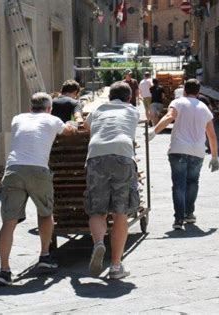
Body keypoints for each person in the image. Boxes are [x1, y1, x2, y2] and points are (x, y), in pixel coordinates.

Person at [0, 92, 77, 286]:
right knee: (45, 213)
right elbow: (69, 131)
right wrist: (73, 124)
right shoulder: (52, 119)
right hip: (38, 170)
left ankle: (4, 270)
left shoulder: (17, 118)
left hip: (13, 169)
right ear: (49, 108)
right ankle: (44, 256)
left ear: (30, 106)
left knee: (8, 222)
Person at [83, 81, 140, 280]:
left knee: (97, 209)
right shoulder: (132, 110)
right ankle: (116, 266)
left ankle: (99, 242)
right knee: (120, 212)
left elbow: (85, 125)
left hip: (96, 154)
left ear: (109, 97)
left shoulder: (98, 110)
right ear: (129, 97)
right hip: (122, 154)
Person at [148, 79, 219, 230]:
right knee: (192, 183)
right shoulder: (204, 108)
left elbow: (169, 117)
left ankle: (178, 219)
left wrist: (154, 131)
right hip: (197, 151)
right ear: (199, 93)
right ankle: (189, 213)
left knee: (178, 185)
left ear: (184, 90)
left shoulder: (178, 102)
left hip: (178, 149)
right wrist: (214, 156)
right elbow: (212, 135)